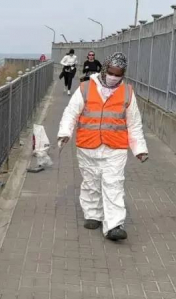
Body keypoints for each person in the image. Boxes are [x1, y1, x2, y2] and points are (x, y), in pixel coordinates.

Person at [57, 52, 148, 241]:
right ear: (105, 70)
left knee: (113, 184)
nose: (115, 77)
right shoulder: (85, 88)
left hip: (115, 148)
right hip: (88, 145)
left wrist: (139, 149)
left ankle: (114, 225)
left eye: (119, 74)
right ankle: (93, 214)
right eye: (112, 72)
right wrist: (65, 133)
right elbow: (71, 113)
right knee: (91, 183)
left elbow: (134, 124)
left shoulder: (127, 92)